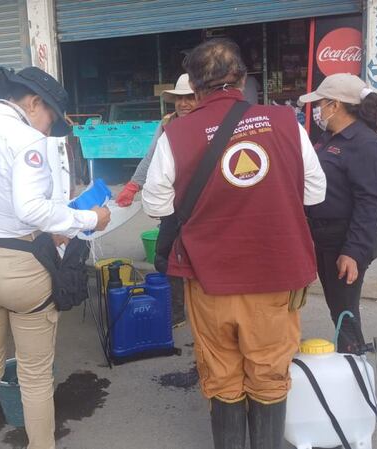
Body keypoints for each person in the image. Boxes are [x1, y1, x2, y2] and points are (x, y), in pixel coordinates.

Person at [143, 38, 326, 449]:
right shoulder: (285, 123)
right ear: (243, 80)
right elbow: (315, 193)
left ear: (194, 86)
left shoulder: (177, 134)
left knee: (222, 374)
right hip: (276, 275)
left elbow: (156, 204)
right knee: (269, 374)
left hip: (209, 279)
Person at [0, 66, 110, 449]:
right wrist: (90, 218)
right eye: (50, 118)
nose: (46, 128)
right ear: (33, 102)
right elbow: (31, 210)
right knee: (36, 375)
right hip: (21, 266)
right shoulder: (25, 139)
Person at [297, 73, 377, 353]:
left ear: (335, 105)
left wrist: (352, 252)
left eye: (320, 104)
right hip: (324, 237)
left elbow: (369, 204)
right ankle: (349, 359)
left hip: (345, 242)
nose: (316, 110)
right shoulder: (329, 137)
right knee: (337, 308)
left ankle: (354, 366)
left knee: (345, 312)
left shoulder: (365, 143)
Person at [115, 73, 197, 207]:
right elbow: (152, 157)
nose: (183, 104)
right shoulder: (166, 124)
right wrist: (133, 186)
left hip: (202, 194)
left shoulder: (209, 124)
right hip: (172, 194)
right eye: (179, 98)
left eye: (190, 98)